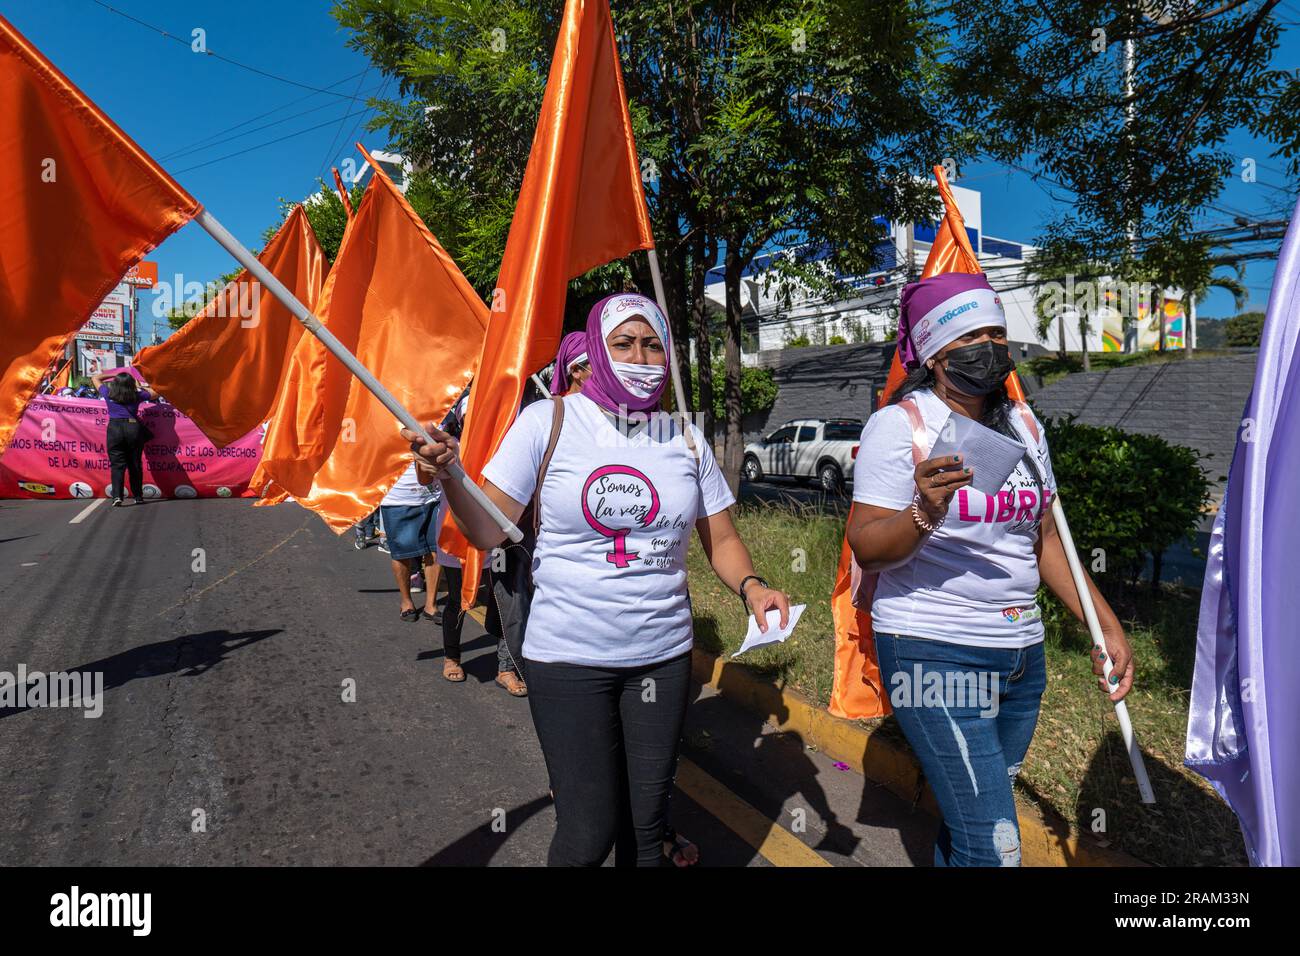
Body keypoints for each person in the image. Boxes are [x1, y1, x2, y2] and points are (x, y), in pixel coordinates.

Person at [405, 292, 790, 867]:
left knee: (647, 828)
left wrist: (752, 587)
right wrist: (451, 475)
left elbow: (724, 539)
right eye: (623, 343)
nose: (640, 356)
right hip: (568, 660)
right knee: (589, 831)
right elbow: (488, 531)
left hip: (661, 657)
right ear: (599, 352)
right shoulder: (550, 420)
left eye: (652, 344)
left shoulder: (684, 436)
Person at [845, 271, 1135, 868]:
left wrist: (1102, 624)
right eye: (972, 336)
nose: (990, 348)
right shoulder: (902, 428)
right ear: (935, 351)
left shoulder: (1023, 424)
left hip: (1021, 655)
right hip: (934, 649)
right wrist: (925, 510)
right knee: (996, 845)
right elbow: (867, 546)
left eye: (997, 334)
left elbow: (1046, 537)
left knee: (970, 823)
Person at [378, 461, 442, 622]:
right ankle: (406, 602)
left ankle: (431, 605)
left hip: (436, 495)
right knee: (401, 553)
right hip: (398, 497)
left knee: (436, 550)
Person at [91, 370, 156, 506]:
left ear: (115, 383)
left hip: (114, 428)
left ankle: (117, 497)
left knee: (117, 465)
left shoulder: (108, 393)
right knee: (135, 464)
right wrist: (138, 386)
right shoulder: (137, 395)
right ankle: (138, 496)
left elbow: (95, 377)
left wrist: (114, 375)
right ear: (131, 384)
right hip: (133, 428)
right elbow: (156, 392)